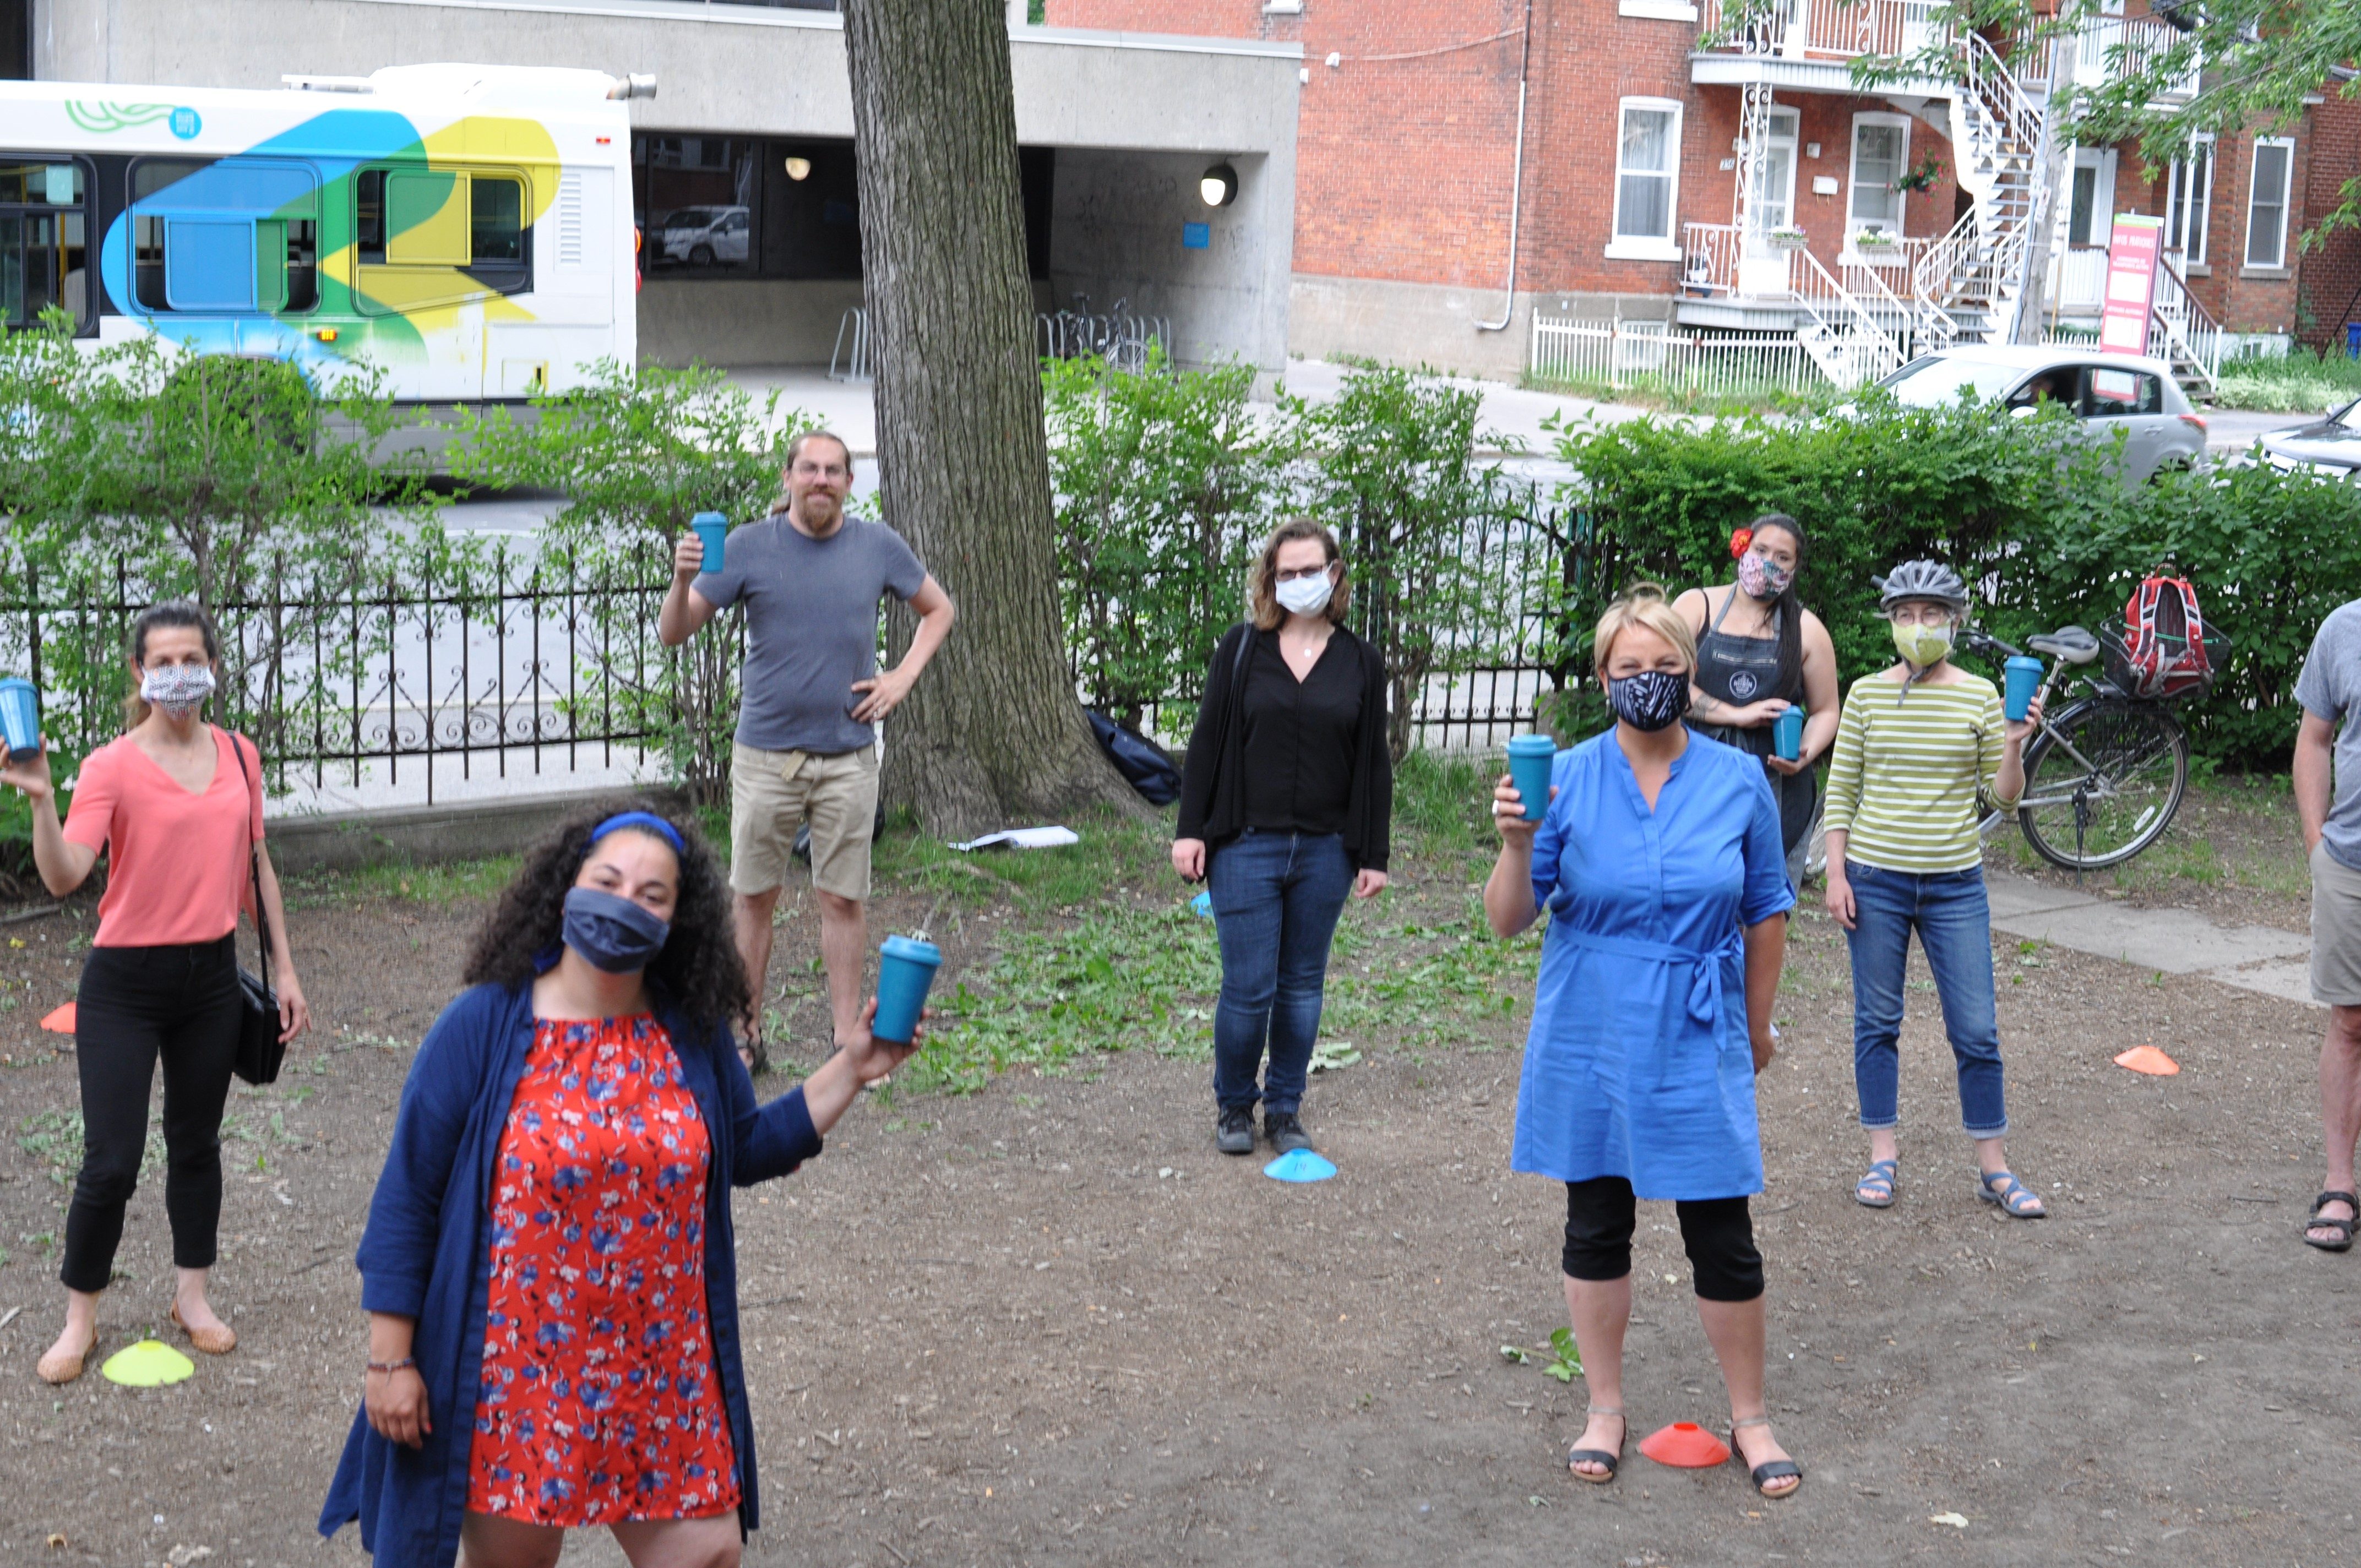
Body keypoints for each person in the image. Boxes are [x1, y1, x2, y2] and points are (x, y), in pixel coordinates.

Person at [318, 805, 924, 1568]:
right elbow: (407, 1198)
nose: (623, 903)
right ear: (563, 890)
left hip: (662, 1369)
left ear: (679, 921)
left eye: (651, 894)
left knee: (708, 1551)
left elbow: (745, 1147)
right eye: (606, 882)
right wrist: (390, 1362)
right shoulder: (482, 1025)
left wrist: (856, 1067)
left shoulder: (691, 1032)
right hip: (518, 1371)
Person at [1483, 585, 1799, 1500]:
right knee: (1596, 1223)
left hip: (1697, 1023)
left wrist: (1755, 1021)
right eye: (1630, 668)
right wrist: (1513, 843)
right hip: (1592, 1023)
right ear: (1602, 677)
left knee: (1721, 1231)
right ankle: (1604, 1405)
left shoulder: (1736, 778)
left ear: (1688, 673)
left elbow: (1766, 911)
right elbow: (1508, 920)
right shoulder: (1567, 777)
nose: (1648, 681)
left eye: (1665, 666)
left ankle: (1749, 1416)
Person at [1, 602, 311, 1385]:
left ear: (212, 665)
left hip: (211, 979)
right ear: (141, 673)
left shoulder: (242, 756)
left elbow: (256, 866)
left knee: (197, 1142)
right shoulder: (112, 764)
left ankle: (192, 1298)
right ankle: (80, 1319)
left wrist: (285, 971)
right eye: (163, 662)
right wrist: (41, 798)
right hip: (124, 985)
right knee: (111, 1159)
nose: (179, 673)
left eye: (191, 658)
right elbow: (67, 874)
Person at [656, 429, 956, 1075]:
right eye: (809, 469)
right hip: (766, 756)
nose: (821, 480)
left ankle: (847, 1036)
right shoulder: (743, 548)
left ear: (850, 482)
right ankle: (744, 1035)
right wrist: (682, 580)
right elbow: (674, 632)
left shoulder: (878, 545)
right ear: (788, 478)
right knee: (753, 897)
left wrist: (901, 678)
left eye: (833, 471)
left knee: (842, 899)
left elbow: (939, 610)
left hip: (848, 756)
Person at [1821, 559, 2047, 1218]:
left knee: (1976, 1029)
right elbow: (1842, 790)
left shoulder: (1980, 694)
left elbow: (2003, 802)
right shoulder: (1864, 693)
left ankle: (1994, 1168)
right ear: (1891, 622)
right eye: (1904, 615)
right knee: (1877, 1023)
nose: (1917, 627)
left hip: (1954, 884)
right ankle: (1881, 1158)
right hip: (1874, 879)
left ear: (1955, 622)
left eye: (1931, 615)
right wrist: (1835, 873)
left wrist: (2014, 744)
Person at [1172, 519, 1391, 1157]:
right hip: (1245, 846)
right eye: (1286, 572)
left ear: (1334, 574)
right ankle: (1235, 1105)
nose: (1299, 582)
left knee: (1301, 985)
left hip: (1327, 850)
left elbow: (1372, 763)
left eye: (1310, 571)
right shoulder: (1241, 649)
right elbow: (1208, 743)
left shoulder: (1360, 660)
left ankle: (1286, 1109)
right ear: (1271, 579)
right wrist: (1192, 832)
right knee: (1248, 987)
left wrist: (1372, 854)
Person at [1673, 514, 1840, 888]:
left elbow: (1827, 711)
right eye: (1761, 550)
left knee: (1763, 909)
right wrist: (1736, 715)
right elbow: (1668, 684)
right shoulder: (1695, 606)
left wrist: (1804, 753)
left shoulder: (1808, 630)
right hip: (1693, 777)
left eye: (1783, 557)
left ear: (1795, 568)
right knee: (1691, 896)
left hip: (1776, 788)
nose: (1768, 562)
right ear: (1742, 548)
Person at [2292, 600, 2361, 1251]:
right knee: (2349, 1022)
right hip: (2350, 864)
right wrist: (2317, 844)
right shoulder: (2343, 629)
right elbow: (2313, 740)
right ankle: (2339, 1185)